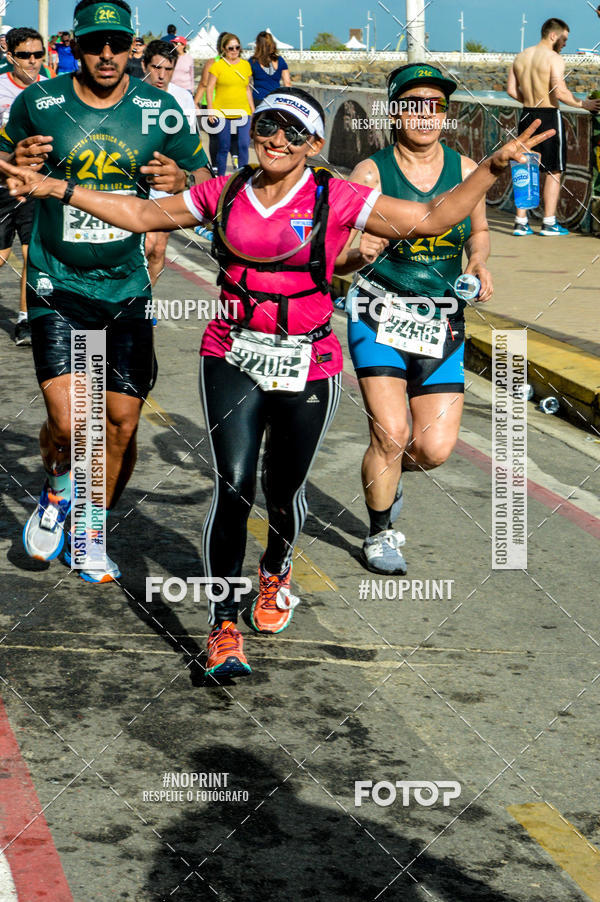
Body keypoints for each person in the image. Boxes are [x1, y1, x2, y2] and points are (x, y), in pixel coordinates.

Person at [0, 87, 552, 676]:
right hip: (232, 354)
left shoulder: (336, 195)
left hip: (308, 362)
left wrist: (492, 167)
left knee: (283, 491)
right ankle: (223, 630)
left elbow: (432, 218)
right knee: (234, 486)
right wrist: (55, 188)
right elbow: (139, 214)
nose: (277, 139)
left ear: (313, 145)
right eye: (267, 125)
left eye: (293, 131)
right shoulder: (227, 189)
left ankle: (275, 571)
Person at [0, 0, 211, 583]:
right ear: (79, 48)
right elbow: (3, 163)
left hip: (125, 285)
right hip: (56, 279)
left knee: (118, 422)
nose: (109, 55)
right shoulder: (37, 102)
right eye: (96, 44)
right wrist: (9, 163)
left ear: (132, 47)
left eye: (119, 44)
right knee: (70, 425)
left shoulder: (161, 110)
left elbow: (203, 179)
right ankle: (58, 487)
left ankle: (92, 527)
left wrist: (180, 182)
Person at [335, 63, 493, 574]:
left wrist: (478, 262)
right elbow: (337, 254)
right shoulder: (371, 172)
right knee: (390, 431)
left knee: (434, 447)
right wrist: (361, 247)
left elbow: (478, 230)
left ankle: (387, 474)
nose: (427, 114)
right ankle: (379, 533)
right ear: (396, 110)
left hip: (442, 317)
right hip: (378, 310)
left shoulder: (467, 170)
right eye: (415, 103)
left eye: (436, 105)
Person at [507, 17, 600, 236]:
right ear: (553, 35)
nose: (565, 43)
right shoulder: (554, 58)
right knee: (553, 169)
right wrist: (584, 104)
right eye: (564, 38)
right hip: (549, 116)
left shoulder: (520, 57)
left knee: (525, 166)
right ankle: (549, 223)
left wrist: (532, 101)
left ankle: (521, 222)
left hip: (527, 114)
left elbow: (511, 90)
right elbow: (559, 91)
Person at [0, 27, 47, 346]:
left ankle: (25, 318)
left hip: (36, 187)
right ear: (10, 56)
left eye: (38, 55)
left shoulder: (52, 91)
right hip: (2, 185)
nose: (32, 62)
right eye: (24, 56)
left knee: (33, 256)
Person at [142, 39, 197, 285]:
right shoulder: (129, 94)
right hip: (133, 181)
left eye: (168, 69)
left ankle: (147, 301)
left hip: (164, 183)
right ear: (145, 66)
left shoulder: (182, 98)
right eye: (156, 68)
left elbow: (189, 144)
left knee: (157, 248)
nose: (161, 75)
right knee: (141, 247)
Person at [206, 33, 253, 175]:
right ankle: (220, 177)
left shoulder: (245, 65)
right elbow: (209, 88)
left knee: (244, 144)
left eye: (237, 47)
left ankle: (243, 177)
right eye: (230, 48)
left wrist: (253, 109)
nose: (234, 51)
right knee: (223, 146)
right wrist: (210, 110)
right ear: (224, 49)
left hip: (243, 111)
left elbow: (247, 88)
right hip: (222, 112)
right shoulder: (218, 66)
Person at [249, 31, 291, 104]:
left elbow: (246, 84)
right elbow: (287, 84)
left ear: (258, 45)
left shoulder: (253, 62)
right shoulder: (280, 60)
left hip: (258, 100)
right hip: (275, 100)